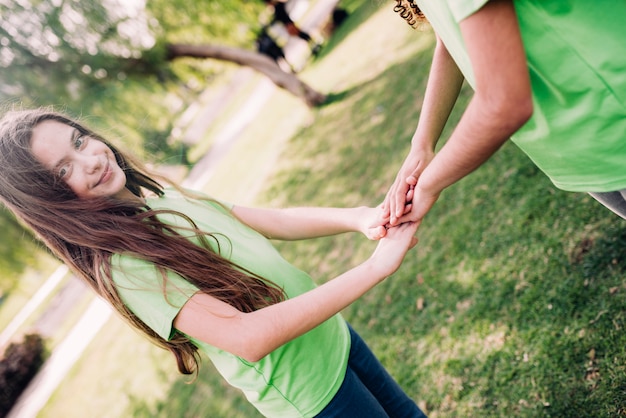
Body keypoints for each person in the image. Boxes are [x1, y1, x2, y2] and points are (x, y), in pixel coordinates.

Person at [0, 108, 426, 418]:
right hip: (315, 394)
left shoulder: (165, 197)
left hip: (333, 337)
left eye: (79, 140)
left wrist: (358, 217)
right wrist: (374, 268)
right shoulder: (125, 267)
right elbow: (247, 337)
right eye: (63, 172)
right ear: (50, 202)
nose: (90, 160)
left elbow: (273, 220)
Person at [385, 0, 626, 225]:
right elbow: (448, 39)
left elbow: (503, 102)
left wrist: (428, 185)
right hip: (580, 139)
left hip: (613, 108)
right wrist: (422, 145)